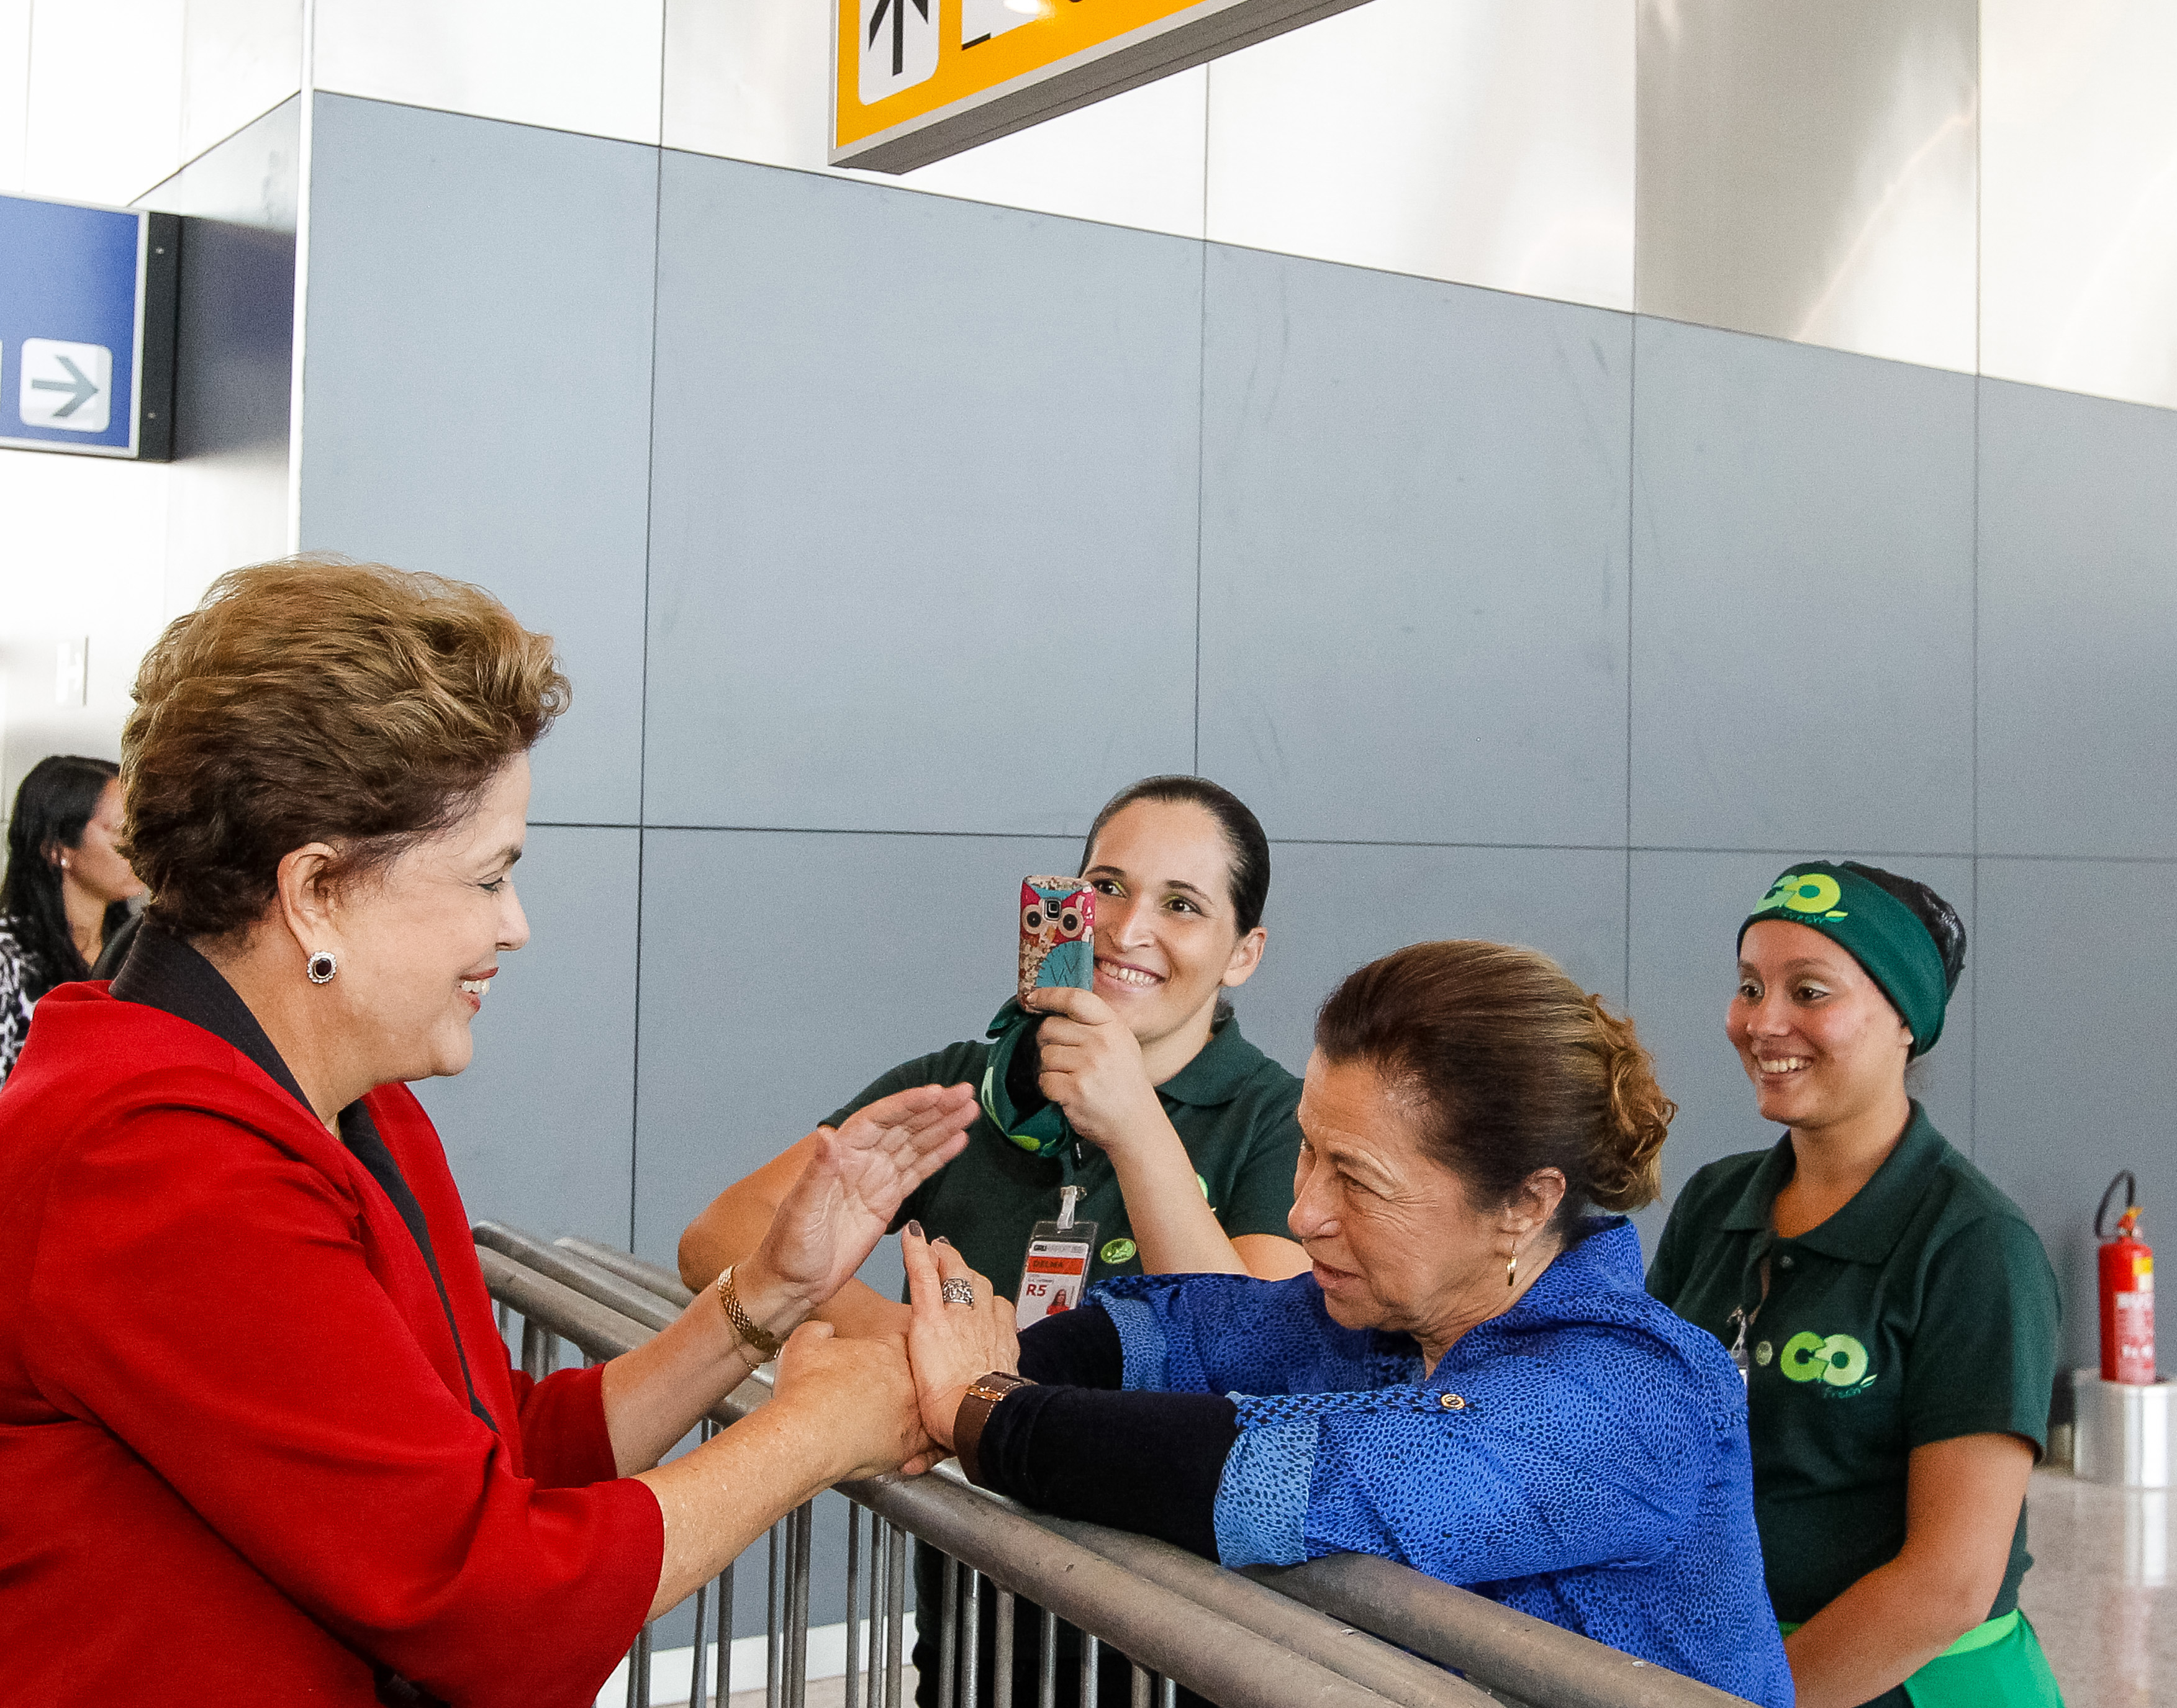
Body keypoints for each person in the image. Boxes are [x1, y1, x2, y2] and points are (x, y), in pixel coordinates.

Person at [0, 558, 980, 1706]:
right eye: (486, 878)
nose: (513, 926)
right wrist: (816, 1431)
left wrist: (764, 1297)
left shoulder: (358, 1105)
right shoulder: (153, 1156)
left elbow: (494, 1449)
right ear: (317, 890)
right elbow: (487, 1596)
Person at [897, 940, 1796, 1708]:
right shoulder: (1364, 1315)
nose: (1303, 1213)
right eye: (1306, 1150)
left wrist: (978, 1406)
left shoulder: (1634, 1394)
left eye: (1357, 1179)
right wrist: (975, 1365)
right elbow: (1170, 1326)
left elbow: (1280, 1481)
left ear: (1524, 1204)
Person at [680, 771, 1307, 1706]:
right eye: (1105, 886)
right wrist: (935, 1355)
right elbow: (720, 1234)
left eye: (1181, 904)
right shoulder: (967, 1083)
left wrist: (1134, 1124)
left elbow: (1250, 1355)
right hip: (975, 1624)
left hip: (1183, 1645)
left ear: (1242, 952)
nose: (1127, 928)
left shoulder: (1279, 1120)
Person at [1647, 863, 2064, 1708]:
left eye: (1807, 991)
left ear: (1905, 1020)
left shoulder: (1975, 1246)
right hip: (1721, 1661)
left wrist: (1751, 1700)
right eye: (1749, 987)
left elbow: (1947, 1583)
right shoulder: (1715, 1202)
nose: (1763, 1021)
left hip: (1899, 1677)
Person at [0, 753, 143, 1087]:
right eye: (123, 832)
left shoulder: (139, 949)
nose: (139, 848)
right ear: (57, 848)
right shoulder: (8, 958)